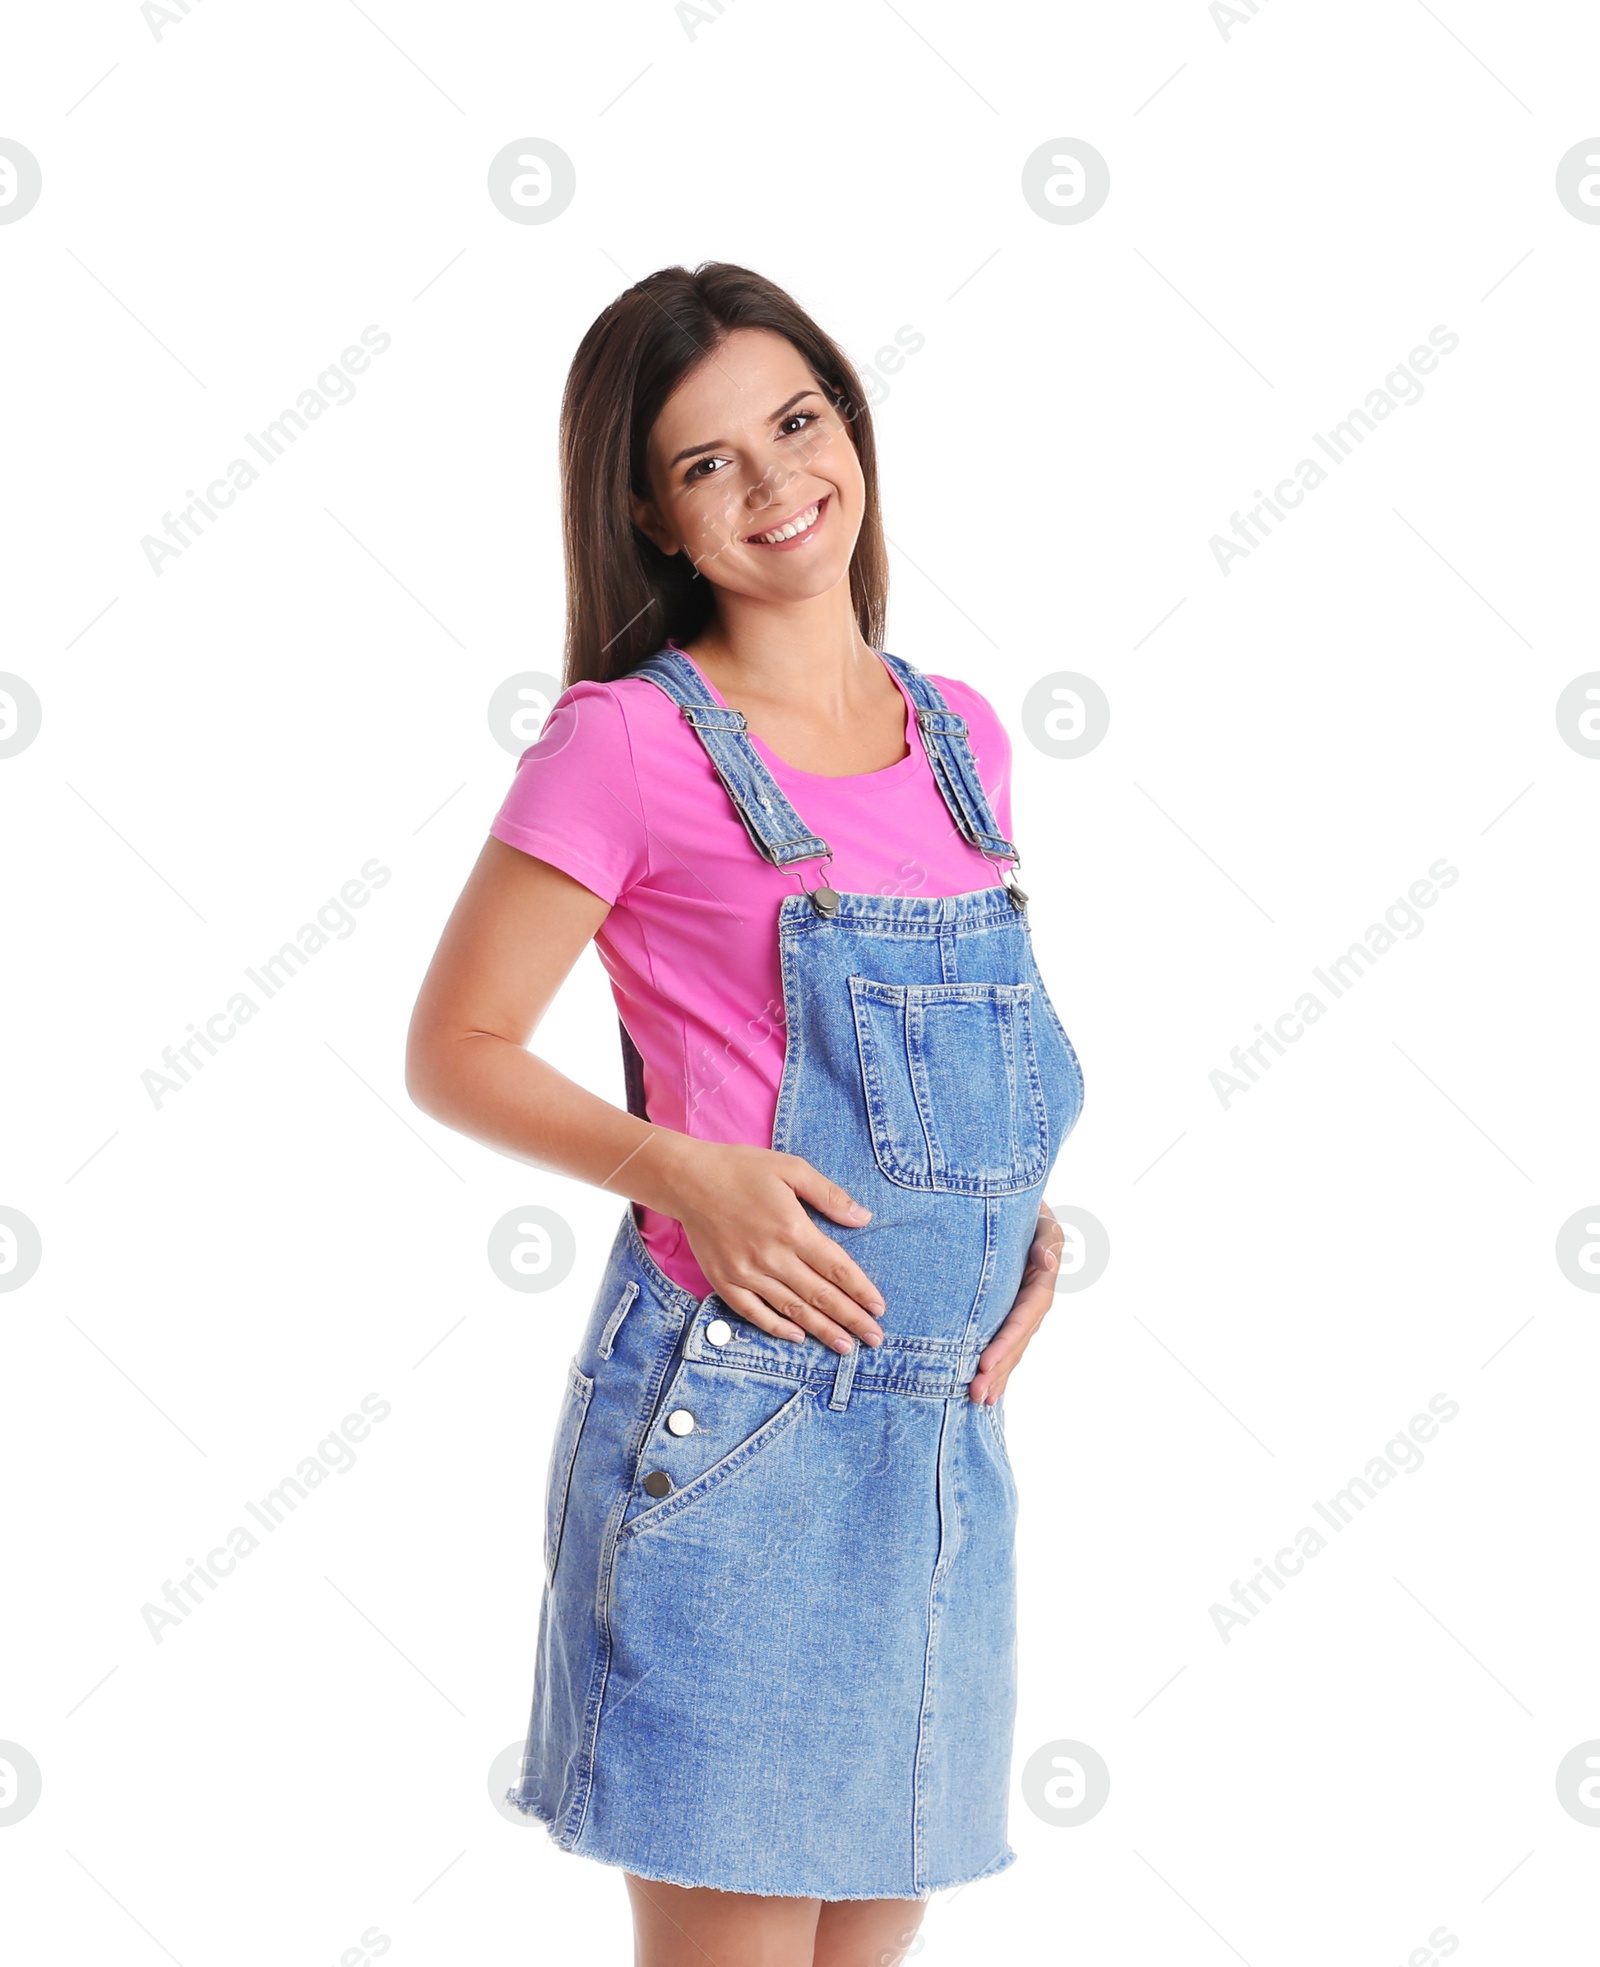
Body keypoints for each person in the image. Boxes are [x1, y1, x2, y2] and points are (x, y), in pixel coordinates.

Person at [406, 261, 1084, 1967]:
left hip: (938, 1451)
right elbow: (457, 1043)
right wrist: (677, 1173)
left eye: (797, 423)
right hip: (744, 1440)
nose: (781, 485)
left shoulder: (961, 738)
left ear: (849, 422)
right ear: (649, 512)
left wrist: (1017, 1235)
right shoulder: (626, 745)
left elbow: (958, 1085)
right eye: (711, 462)